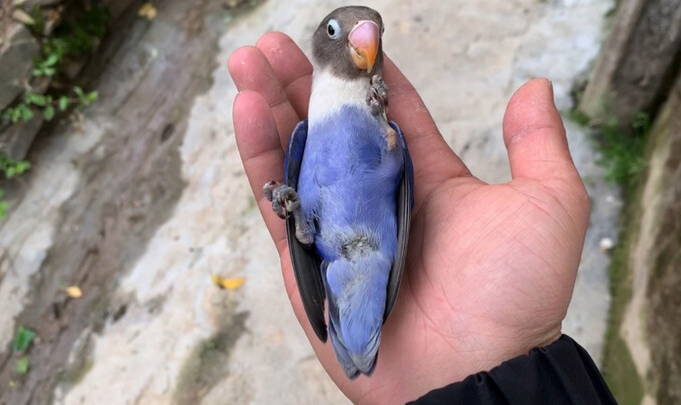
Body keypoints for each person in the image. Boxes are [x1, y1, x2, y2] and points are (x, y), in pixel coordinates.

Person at [228, 32, 617, 404]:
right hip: (343, 245)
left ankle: (297, 216)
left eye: (372, 33)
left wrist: (383, 125)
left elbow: (395, 180)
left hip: (368, 247)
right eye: (337, 31)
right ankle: (296, 214)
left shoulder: (378, 124)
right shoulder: (305, 134)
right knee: (300, 157)